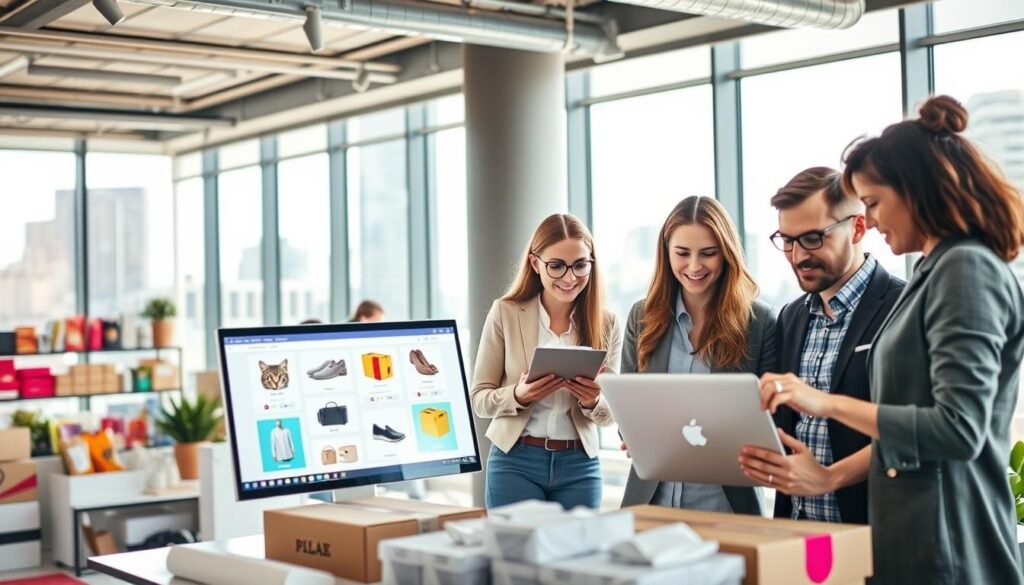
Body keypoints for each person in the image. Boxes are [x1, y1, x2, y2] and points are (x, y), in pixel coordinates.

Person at [761, 95, 1024, 584]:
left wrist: (826, 403)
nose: (873, 221)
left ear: (915, 191)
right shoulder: (935, 270)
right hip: (908, 541)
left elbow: (958, 429)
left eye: (876, 203)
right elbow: (912, 429)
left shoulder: (966, 268)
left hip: (946, 545)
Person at [736, 167, 904, 524]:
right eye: (787, 240)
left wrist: (830, 477)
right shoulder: (792, 317)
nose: (798, 256)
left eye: (813, 238)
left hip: (872, 535)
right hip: (799, 531)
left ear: (858, 228)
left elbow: (913, 430)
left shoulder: (903, 307)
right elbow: (783, 425)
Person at [619, 196, 776, 515]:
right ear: (666, 254)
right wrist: (635, 435)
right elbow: (628, 413)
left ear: (727, 254)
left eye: (708, 253)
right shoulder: (641, 317)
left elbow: (773, 423)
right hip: (650, 507)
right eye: (682, 253)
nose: (694, 266)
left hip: (728, 508)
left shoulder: (759, 324)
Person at [472, 213, 622, 509]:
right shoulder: (506, 313)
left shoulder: (608, 323)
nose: (570, 277)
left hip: (580, 466)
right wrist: (519, 394)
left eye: (580, 265)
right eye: (556, 266)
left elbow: (611, 415)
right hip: (516, 461)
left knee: (576, 554)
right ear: (535, 264)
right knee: (516, 555)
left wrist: (593, 402)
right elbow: (479, 399)